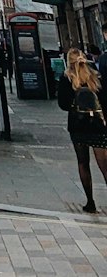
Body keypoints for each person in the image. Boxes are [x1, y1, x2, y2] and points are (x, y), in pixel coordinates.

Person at [58, 47, 107, 213]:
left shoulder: (66, 78)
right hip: (97, 125)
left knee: (83, 163)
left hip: (78, 125)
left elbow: (63, 104)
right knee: (104, 164)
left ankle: (90, 202)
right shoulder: (95, 76)